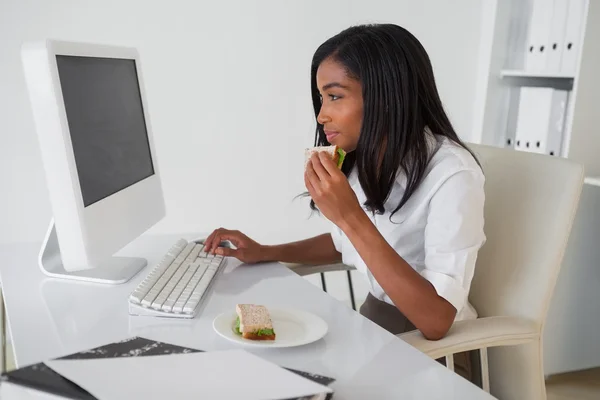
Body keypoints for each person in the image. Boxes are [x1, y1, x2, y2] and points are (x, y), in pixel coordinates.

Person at [204, 24, 485, 385]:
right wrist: (265, 251)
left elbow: (436, 321)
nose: (322, 116)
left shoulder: (453, 175)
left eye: (335, 97)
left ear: (386, 96)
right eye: (322, 99)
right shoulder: (364, 159)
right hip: (375, 328)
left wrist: (351, 216)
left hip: (435, 355)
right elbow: (343, 245)